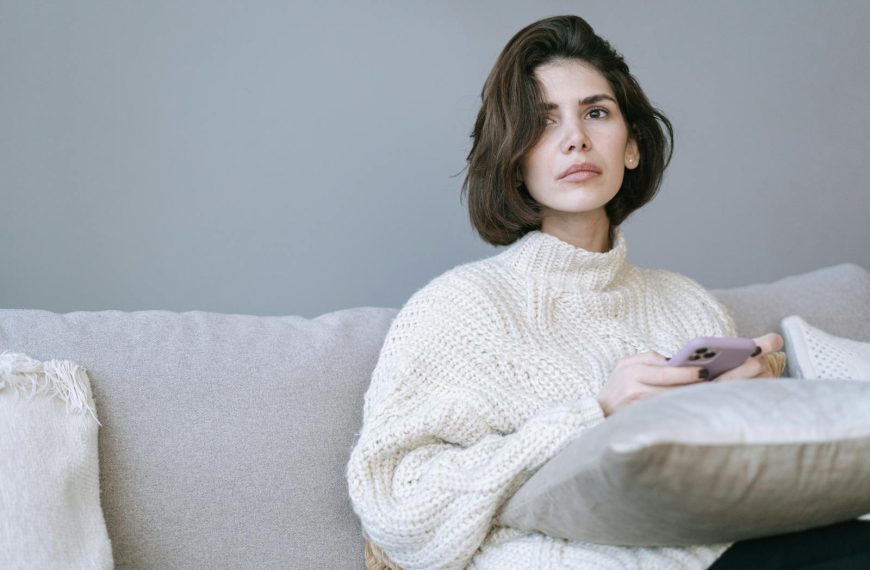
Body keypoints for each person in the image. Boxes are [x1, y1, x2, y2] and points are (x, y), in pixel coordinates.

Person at [346, 14, 865, 569]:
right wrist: (596, 412)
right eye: (543, 123)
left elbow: (728, 483)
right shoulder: (458, 308)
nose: (576, 138)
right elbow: (396, 506)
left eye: (596, 112)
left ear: (632, 146)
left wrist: (751, 400)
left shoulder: (686, 303)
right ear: (516, 162)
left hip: (725, 546)